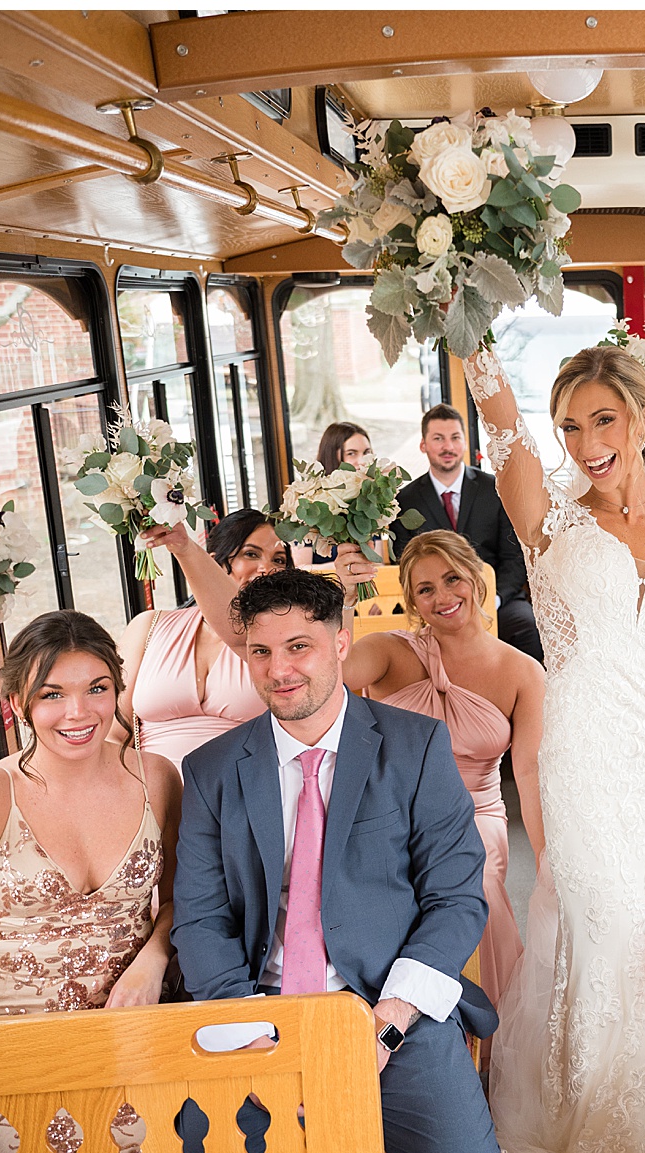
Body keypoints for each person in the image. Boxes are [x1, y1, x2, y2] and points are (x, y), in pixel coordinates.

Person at [462, 342, 645, 1153]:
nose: (586, 443)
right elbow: (501, 422)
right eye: (570, 427)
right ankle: (598, 1145)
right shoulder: (551, 521)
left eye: (602, 420)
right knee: (605, 929)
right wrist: (465, 315)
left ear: (643, 420)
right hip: (584, 758)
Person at [171, 569, 505, 1153]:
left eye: (300, 646)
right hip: (257, 1018)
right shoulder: (212, 770)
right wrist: (247, 1028)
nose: (279, 670)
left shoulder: (417, 746)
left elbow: (455, 896)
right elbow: (200, 916)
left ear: (343, 643)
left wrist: (389, 1019)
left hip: (393, 1011)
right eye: (261, 651)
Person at [161, 519, 544, 1011]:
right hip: (371, 798)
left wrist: (545, 860)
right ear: (410, 599)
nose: (442, 596)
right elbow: (314, 672)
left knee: (480, 878)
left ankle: (462, 1012)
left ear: (477, 577)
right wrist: (189, 552)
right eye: (424, 588)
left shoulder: (522, 671)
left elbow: (529, 773)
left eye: (452, 578)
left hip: (477, 812)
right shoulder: (389, 652)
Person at [0, 612, 182, 1028]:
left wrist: (153, 959)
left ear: (118, 689)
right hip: (2, 1030)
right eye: (52, 695)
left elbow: (177, 900)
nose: (78, 712)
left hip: (127, 1018)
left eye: (96, 689)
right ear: (18, 704)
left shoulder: (157, 777)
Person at [116, 508, 288, 768]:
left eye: (279, 560)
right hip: (149, 791)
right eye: (250, 554)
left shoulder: (280, 640)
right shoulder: (148, 626)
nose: (267, 568)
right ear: (214, 563)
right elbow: (116, 731)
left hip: (244, 790)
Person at [391, 403, 543, 662]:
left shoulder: (495, 489)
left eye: (455, 438)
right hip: (437, 605)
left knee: (527, 625)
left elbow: (514, 558)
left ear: (464, 442)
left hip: (497, 600)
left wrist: (492, 600)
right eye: (438, 439)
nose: (447, 446)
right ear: (423, 445)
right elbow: (403, 564)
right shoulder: (405, 500)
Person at [292, 423, 374, 566]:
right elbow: (301, 569)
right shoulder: (308, 503)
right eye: (351, 453)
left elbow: (377, 564)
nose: (362, 462)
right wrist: (345, 569)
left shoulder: (371, 502)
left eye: (366, 453)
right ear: (331, 456)